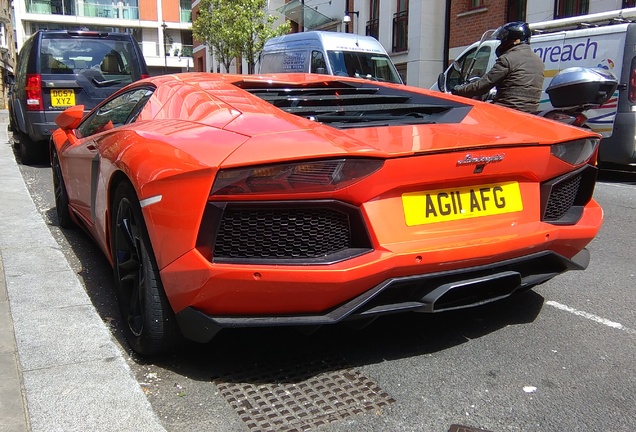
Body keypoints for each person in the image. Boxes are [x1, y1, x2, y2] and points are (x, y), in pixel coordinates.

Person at [452, 21, 544, 113]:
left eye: (503, 41)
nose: (501, 44)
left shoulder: (507, 59)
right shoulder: (538, 61)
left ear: (512, 41)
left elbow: (483, 85)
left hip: (506, 110)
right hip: (529, 112)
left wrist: (458, 90)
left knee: (474, 116)